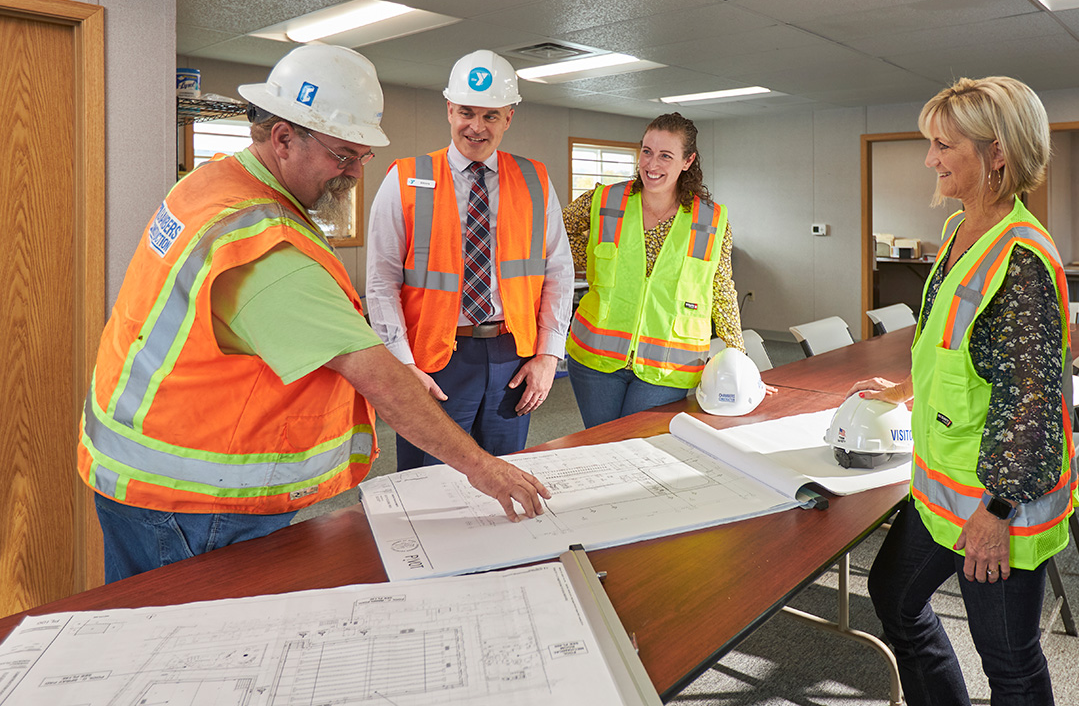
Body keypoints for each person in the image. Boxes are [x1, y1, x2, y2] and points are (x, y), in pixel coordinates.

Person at [78, 44, 549, 584]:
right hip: (193, 500)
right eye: (342, 154)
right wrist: (483, 469)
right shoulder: (263, 247)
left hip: (144, 470)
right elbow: (380, 381)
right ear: (282, 138)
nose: (351, 173)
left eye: (359, 156)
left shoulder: (211, 185)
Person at [855, 76, 1077, 705]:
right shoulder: (959, 230)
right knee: (895, 598)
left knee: (1008, 662)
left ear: (997, 153)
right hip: (940, 490)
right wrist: (906, 385)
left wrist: (998, 512)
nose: (930, 159)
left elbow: (1030, 403)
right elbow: (955, 348)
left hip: (993, 502)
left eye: (944, 146)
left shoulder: (1022, 259)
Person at [366, 50, 573, 471]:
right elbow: (380, 281)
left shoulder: (535, 179)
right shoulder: (404, 178)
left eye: (491, 115)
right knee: (430, 479)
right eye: (466, 112)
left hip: (512, 357)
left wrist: (549, 355)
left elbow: (558, 271)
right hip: (433, 360)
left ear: (509, 117)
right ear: (449, 110)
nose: (476, 127)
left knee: (505, 475)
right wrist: (403, 364)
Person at [563, 112, 765, 429]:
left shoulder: (710, 221)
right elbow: (556, 239)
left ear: (687, 161)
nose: (652, 165)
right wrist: (597, 260)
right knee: (599, 445)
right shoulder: (604, 200)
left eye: (665, 155)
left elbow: (721, 289)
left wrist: (738, 359)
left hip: (670, 363)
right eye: (647, 151)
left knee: (637, 448)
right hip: (595, 357)